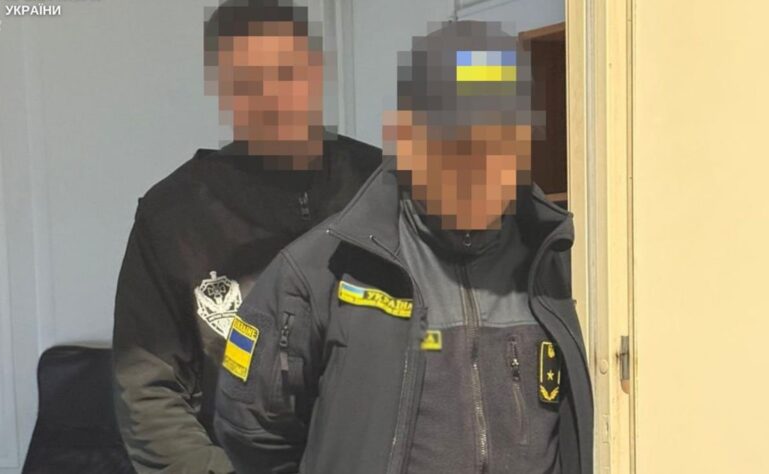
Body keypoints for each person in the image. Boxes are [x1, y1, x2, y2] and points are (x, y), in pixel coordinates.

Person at [214, 20, 593, 474]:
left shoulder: (555, 259)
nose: (485, 169)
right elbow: (252, 432)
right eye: (461, 144)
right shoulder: (317, 273)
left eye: (503, 143)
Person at [111, 1, 381, 472]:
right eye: (248, 81)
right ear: (223, 88)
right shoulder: (173, 216)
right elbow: (147, 390)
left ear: (315, 71)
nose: (272, 97)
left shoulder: (384, 188)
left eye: (286, 72)